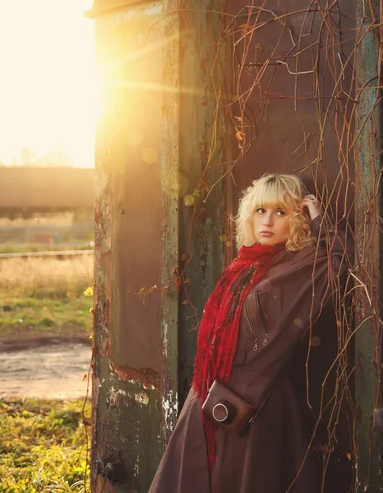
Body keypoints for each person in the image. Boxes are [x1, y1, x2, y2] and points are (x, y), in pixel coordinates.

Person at [149, 173, 351, 493]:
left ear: (296, 219)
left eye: (280, 212)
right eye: (261, 211)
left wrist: (319, 220)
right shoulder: (244, 264)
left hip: (254, 405)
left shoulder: (296, 267)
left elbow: (340, 262)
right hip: (211, 394)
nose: (267, 221)